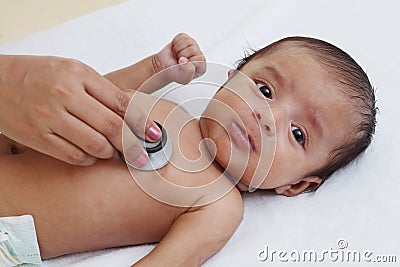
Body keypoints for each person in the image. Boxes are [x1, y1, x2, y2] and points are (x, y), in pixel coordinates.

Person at [0, 35, 376, 267]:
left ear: (296, 185)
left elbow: (174, 260)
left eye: (298, 133)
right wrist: (152, 68)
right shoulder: (170, 109)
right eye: (264, 90)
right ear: (229, 78)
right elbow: (93, 99)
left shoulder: (218, 204)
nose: (267, 117)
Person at [0, 33, 204, 168]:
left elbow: (79, 106)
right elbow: (88, 104)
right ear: (228, 77)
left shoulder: (219, 204)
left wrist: (156, 69)